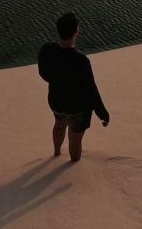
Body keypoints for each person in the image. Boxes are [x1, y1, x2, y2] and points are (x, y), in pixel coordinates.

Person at [37, 12, 109, 162]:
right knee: (75, 137)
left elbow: (44, 74)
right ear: (76, 31)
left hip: (56, 101)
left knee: (59, 123)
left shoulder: (46, 50)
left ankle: (56, 152)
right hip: (77, 108)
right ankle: (74, 166)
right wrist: (102, 113)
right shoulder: (81, 61)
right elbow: (91, 91)